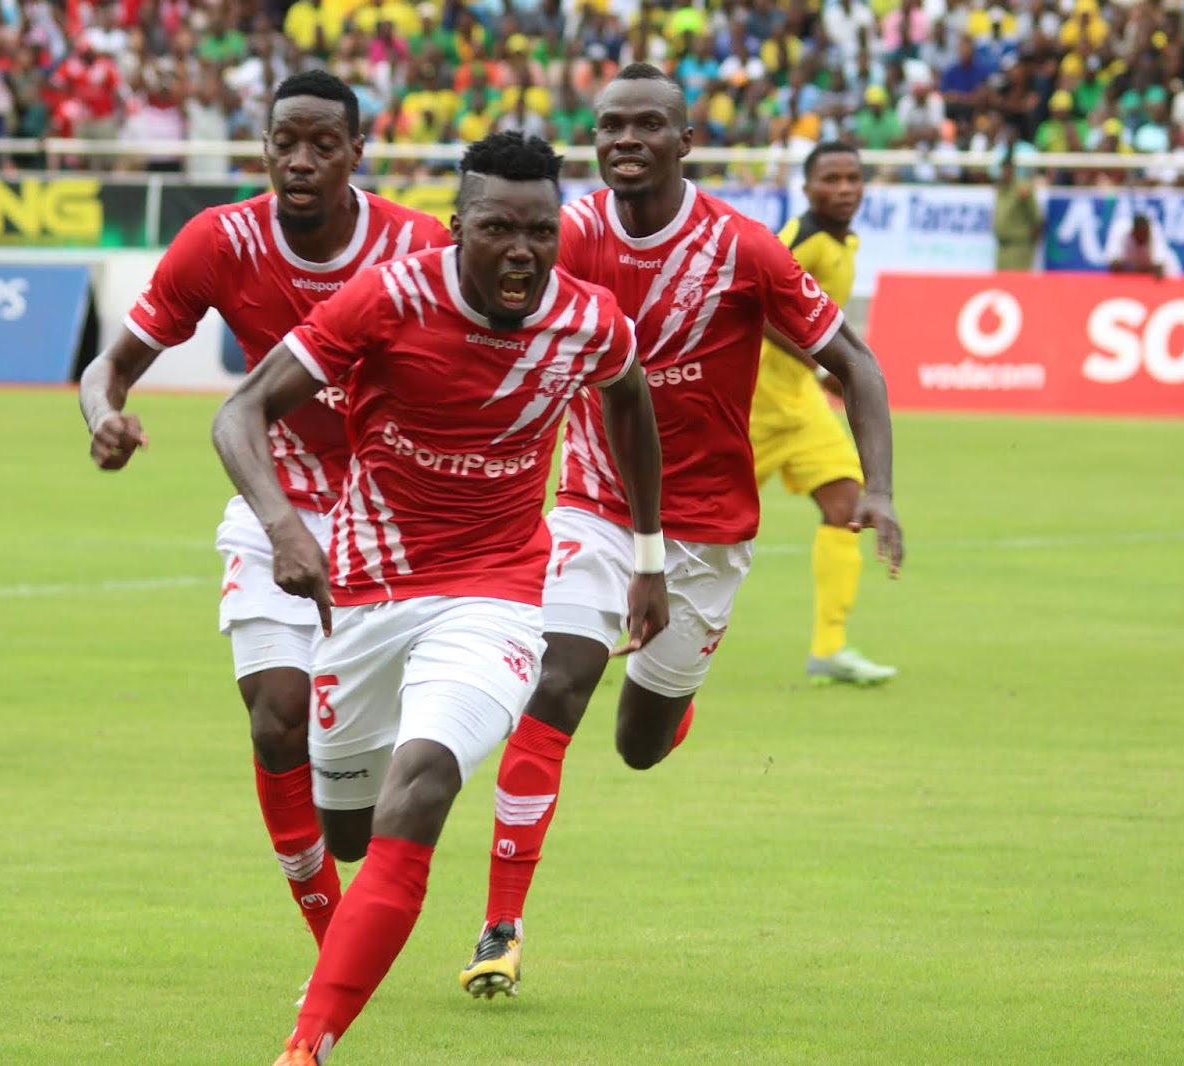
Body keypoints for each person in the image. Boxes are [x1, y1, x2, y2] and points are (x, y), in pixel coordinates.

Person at [212, 131, 667, 1066]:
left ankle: (306, 1047)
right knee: (348, 829)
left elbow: (628, 398)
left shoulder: (589, 319)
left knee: (420, 788)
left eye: (540, 231)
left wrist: (649, 552)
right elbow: (240, 410)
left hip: (496, 594)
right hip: (367, 596)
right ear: (457, 226)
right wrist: (285, 527)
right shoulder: (388, 298)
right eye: (498, 228)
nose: (522, 251)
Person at [461, 65, 904, 999]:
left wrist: (882, 490)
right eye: (609, 125)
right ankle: (501, 926)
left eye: (647, 125)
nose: (625, 139)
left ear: (685, 141)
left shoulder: (744, 249)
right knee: (559, 682)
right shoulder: (565, 234)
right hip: (594, 503)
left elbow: (857, 365)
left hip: (709, 531)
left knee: (639, 742)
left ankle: (675, 698)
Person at [77, 71, 450, 969]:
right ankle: (334, 944)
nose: (301, 160)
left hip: (395, 524)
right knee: (277, 716)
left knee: (351, 824)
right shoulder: (221, 241)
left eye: (323, 144)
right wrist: (103, 417)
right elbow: (109, 366)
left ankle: (360, 838)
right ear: (266, 148)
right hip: (272, 503)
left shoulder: (417, 244)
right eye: (286, 142)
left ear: (358, 151)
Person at [751, 142, 897, 686]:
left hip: (799, 403)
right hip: (752, 403)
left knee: (847, 504)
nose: (844, 189)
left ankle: (829, 649)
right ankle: (604, 625)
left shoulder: (843, 240)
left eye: (853, 178)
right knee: (685, 523)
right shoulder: (800, 239)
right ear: (807, 188)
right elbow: (757, 307)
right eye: (831, 179)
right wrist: (819, 367)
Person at [993, 154, 1043, 272]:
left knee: (1018, 279)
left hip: (1019, 245)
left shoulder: (1022, 188)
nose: (1005, 172)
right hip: (1002, 245)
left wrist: (1031, 239)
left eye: (1007, 168)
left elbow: (1036, 216)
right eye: (1003, 169)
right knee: (1001, 280)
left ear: (1013, 169)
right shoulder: (1001, 188)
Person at [1105, 212, 1182, 280]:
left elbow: (1158, 268)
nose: (1142, 236)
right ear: (1133, 232)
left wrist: (1140, 273)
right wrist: (1133, 276)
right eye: (1140, 233)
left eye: (1144, 233)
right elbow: (1113, 264)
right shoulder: (1121, 230)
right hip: (1132, 269)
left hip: (1160, 270)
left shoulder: (1155, 231)